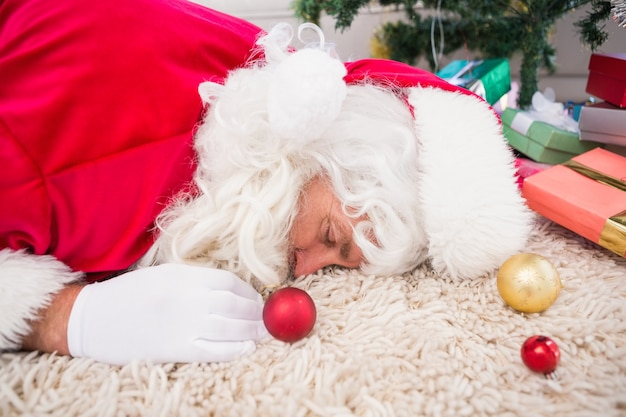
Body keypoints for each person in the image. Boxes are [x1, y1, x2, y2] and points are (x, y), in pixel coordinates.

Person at [0, 0, 532, 365]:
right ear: (314, 153)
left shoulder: (275, 94)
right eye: (330, 237)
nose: (305, 272)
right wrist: (64, 320)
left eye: (342, 263)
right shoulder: (70, 159)